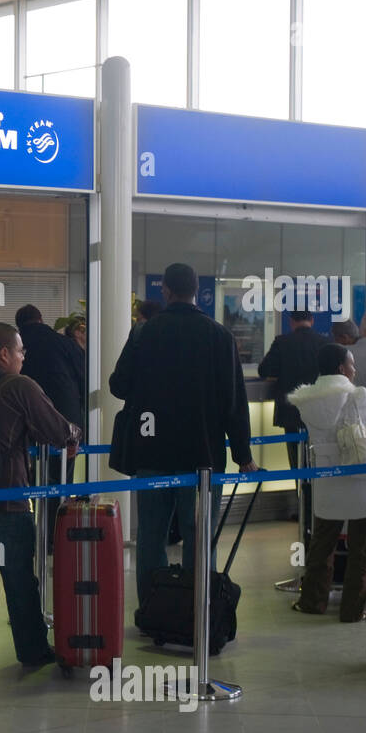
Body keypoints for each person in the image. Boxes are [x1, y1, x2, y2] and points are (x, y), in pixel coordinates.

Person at [109, 262, 257, 612]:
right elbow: (234, 402)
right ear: (195, 291)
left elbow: (118, 385)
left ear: (166, 291)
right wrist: (243, 455)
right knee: (199, 536)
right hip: (202, 457)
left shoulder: (144, 333)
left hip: (152, 453)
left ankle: (153, 607)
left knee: (151, 537)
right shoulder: (220, 336)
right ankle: (197, 609)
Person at [0, 323, 79, 674]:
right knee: (19, 580)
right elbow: (56, 429)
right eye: (20, 352)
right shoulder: (18, 386)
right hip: (7, 503)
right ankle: (32, 650)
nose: (23, 359)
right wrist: (72, 434)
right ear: (5, 353)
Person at [289, 344, 366, 622]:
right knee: (362, 550)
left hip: (327, 481)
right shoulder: (359, 396)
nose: (355, 370)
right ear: (341, 369)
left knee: (322, 545)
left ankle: (313, 602)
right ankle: (352, 610)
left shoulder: (306, 400)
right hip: (362, 478)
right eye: (352, 365)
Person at [16, 303, 86, 489]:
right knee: (61, 479)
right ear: (41, 319)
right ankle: (57, 515)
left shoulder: (17, 347)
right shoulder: (65, 343)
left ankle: (31, 512)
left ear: (19, 326)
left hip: (26, 424)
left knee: (26, 477)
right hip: (65, 421)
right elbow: (83, 380)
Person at [258, 307, 328, 469]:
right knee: (318, 457)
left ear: (292, 322)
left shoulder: (282, 342)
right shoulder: (325, 343)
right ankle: (313, 492)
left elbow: (264, 370)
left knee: (295, 457)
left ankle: (299, 490)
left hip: (290, 410)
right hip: (318, 409)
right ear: (312, 321)